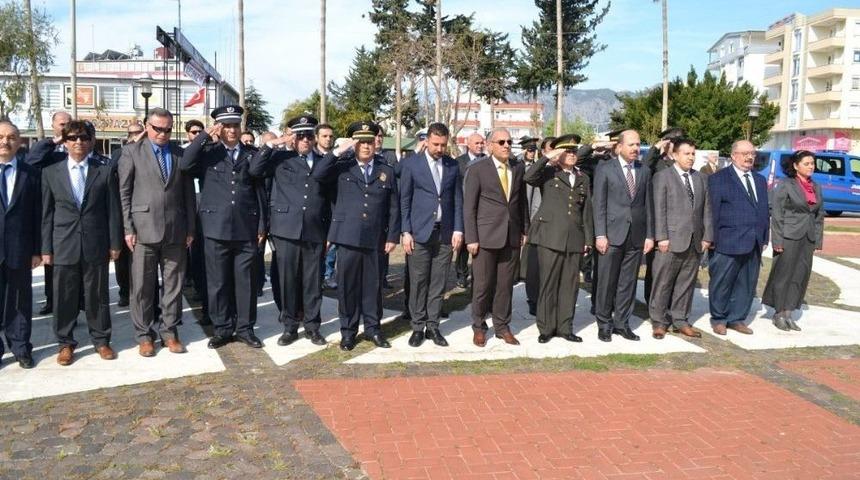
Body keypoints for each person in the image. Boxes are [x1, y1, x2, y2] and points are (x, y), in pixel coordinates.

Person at [181, 105, 266, 350]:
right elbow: (185, 164)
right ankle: (222, 329)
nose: (231, 130)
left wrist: (262, 224)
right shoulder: (208, 152)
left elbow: (259, 192)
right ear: (219, 127)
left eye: (235, 125)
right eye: (226, 125)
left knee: (245, 282)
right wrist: (205, 135)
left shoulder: (251, 154)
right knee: (217, 282)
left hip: (245, 227)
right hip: (214, 228)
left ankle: (245, 328)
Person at [40, 120, 123, 365]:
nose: (79, 142)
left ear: (91, 141)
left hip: (95, 243)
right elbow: (46, 214)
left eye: (84, 138)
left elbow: (113, 211)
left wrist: (115, 242)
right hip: (63, 244)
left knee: (97, 295)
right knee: (64, 297)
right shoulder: (50, 172)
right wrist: (45, 248)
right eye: (73, 138)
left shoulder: (104, 170)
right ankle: (65, 343)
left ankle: (101, 340)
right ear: (64, 142)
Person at [312, 121, 399, 351]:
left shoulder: (385, 170)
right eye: (361, 142)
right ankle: (348, 332)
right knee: (347, 287)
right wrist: (339, 150)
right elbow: (318, 174)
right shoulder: (342, 167)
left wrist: (392, 236)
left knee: (373, 287)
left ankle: (373, 329)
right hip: (348, 237)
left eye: (370, 142)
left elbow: (393, 207)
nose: (367, 146)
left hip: (375, 239)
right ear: (354, 143)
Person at [118, 107, 196, 357]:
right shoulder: (131, 152)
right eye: (158, 128)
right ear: (147, 126)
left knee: (173, 285)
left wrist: (190, 228)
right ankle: (144, 335)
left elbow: (188, 195)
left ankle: (170, 332)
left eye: (167, 129)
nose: (163, 133)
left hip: (176, 230)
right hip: (143, 231)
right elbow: (125, 193)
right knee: (141, 286)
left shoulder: (178, 153)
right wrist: (128, 228)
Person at [249, 115, 330, 347]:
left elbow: (330, 198)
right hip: (286, 229)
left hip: (315, 229)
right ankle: (290, 326)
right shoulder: (279, 158)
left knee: (313, 281)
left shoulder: (324, 160)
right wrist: (271, 144)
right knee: (287, 280)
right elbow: (255, 170)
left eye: (308, 135)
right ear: (293, 138)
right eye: (300, 135)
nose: (305, 140)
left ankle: (313, 327)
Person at [524, 134, 592, 343]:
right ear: (559, 153)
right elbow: (528, 177)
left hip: (574, 238)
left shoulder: (583, 177)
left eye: (574, 151)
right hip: (550, 237)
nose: (572, 154)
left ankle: (565, 327)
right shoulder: (547, 173)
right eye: (567, 151)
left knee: (570, 286)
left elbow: (586, 210)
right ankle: (546, 328)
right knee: (549, 283)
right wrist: (547, 156)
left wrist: (588, 239)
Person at [464, 128, 529, 347]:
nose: (506, 145)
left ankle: (502, 326)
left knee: (505, 285)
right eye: (501, 141)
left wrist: (524, 230)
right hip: (485, 237)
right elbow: (469, 207)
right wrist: (471, 238)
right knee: (483, 285)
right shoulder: (478, 169)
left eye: (509, 141)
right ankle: (479, 326)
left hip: (511, 237)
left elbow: (521, 203)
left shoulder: (518, 168)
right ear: (490, 145)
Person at [400, 123, 463, 348]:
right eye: (435, 144)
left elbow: (457, 199)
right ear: (426, 140)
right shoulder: (411, 164)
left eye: (443, 145)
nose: (439, 149)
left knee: (438, 282)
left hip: (444, 233)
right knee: (418, 281)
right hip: (419, 233)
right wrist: (405, 231)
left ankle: (433, 326)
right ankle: (417, 326)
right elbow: (404, 200)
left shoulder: (453, 165)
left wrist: (458, 229)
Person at [592, 129, 654, 342]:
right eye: (632, 145)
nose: (636, 148)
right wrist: (600, 234)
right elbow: (598, 204)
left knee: (628, 283)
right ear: (620, 146)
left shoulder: (644, 171)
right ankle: (604, 323)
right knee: (607, 282)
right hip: (611, 234)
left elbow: (648, 206)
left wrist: (650, 235)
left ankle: (622, 323)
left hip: (636, 236)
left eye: (638, 144)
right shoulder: (605, 169)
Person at [648, 138, 712, 339]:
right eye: (687, 153)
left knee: (686, 283)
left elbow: (707, 210)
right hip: (670, 240)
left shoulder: (701, 178)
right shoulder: (663, 177)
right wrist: (661, 237)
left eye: (693, 153)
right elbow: (659, 209)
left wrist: (707, 236)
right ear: (675, 155)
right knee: (663, 282)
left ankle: (680, 320)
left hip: (695, 240)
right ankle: (659, 321)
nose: (691, 157)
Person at [707, 140, 769, 335]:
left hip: (754, 241)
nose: (749, 157)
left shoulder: (759, 180)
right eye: (744, 153)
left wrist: (764, 236)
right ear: (733, 156)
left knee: (747, 283)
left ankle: (737, 318)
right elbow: (712, 212)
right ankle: (719, 318)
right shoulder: (719, 179)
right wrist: (711, 238)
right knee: (722, 282)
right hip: (727, 240)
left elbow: (763, 210)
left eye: (752, 153)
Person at [762, 150, 823, 331]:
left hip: (808, 237)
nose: (811, 166)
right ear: (796, 166)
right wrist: (778, 240)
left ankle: (789, 312)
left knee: (800, 275)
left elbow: (819, 216)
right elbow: (778, 213)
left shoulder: (816, 187)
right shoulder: (785, 184)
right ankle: (778, 313)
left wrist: (817, 241)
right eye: (806, 163)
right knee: (783, 274)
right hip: (789, 236)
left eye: (812, 163)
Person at [0, 121, 42, 369]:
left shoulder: (31, 174)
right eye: (1, 136)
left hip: (20, 248)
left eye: (12, 137)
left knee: (20, 302)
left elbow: (38, 214)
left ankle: (21, 347)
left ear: (20, 142)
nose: (5, 141)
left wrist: (37, 249)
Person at [110, 122, 145, 307]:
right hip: (124, 213)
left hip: (145, 217)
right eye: (131, 133)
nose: (135, 136)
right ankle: (124, 292)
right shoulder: (121, 153)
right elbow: (112, 170)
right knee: (122, 261)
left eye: (139, 133)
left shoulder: (150, 152)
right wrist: (132, 146)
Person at [453, 133, 485, 289]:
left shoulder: (487, 160)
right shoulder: (459, 162)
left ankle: (478, 275)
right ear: (468, 144)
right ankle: (461, 274)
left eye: (482, 143)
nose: (480, 145)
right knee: (465, 245)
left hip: (483, 210)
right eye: (477, 143)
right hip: (465, 208)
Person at [518, 136, 541, 316]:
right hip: (516, 215)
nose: (531, 152)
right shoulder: (517, 165)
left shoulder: (537, 167)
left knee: (530, 257)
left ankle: (532, 296)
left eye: (534, 149)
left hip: (532, 216)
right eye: (528, 149)